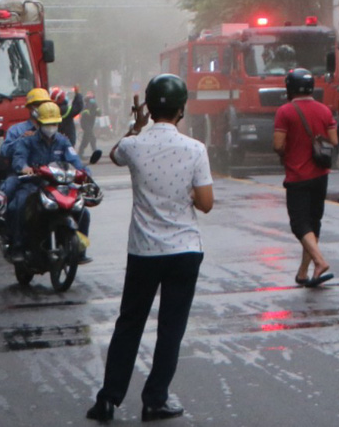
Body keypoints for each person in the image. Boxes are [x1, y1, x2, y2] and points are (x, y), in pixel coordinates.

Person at [88, 75, 214, 423]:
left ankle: (108, 399)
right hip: (184, 251)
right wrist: (185, 194)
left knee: (129, 323)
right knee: (171, 328)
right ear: (181, 108)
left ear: (149, 106)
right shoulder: (195, 149)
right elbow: (206, 203)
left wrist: (136, 125)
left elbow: (114, 155)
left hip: (143, 252)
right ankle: (155, 399)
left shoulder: (134, 146)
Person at [273, 67, 337, 288]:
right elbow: (334, 141)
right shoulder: (325, 111)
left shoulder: (285, 111)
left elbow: (278, 145)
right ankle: (303, 272)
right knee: (313, 223)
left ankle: (319, 262)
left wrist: (288, 151)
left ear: (290, 88)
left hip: (298, 176)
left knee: (299, 224)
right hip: (321, 176)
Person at [5, 101, 90, 256]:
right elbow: (19, 159)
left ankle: (80, 250)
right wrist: (24, 168)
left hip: (57, 187)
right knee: (18, 206)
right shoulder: (27, 141)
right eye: (47, 123)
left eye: (54, 123)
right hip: (32, 185)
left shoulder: (63, 142)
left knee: (83, 211)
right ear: (39, 123)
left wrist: (85, 174)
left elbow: (75, 161)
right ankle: (17, 247)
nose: (51, 127)